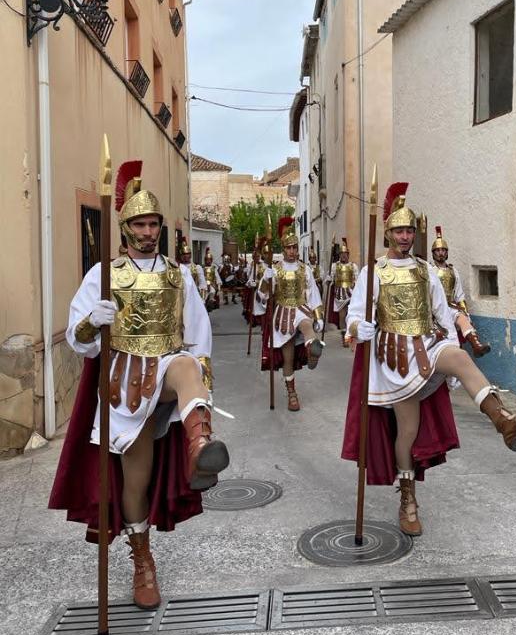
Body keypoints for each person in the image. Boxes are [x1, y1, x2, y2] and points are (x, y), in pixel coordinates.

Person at [49, 162, 229, 609]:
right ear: (126, 227)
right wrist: (94, 321)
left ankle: (200, 444)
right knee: (136, 479)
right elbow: (78, 339)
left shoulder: (178, 275)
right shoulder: (103, 275)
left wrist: (202, 374)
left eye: (153, 223)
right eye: (139, 223)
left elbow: (197, 335)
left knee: (186, 365)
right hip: (124, 386)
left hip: (166, 369)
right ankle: (141, 558)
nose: (148, 231)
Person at [342, 182, 516, 536]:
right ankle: (407, 498)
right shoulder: (371, 272)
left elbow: (443, 315)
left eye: (409, 230)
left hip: (427, 347)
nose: (405, 236)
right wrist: (360, 328)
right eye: (399, 230)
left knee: (461, 360)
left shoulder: (426, 270)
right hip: (394, 362)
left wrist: (450, 343)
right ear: (388, 232)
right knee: (407, 432)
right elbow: (354, 316)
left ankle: (504, 422)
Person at [258, 216, 324, 411]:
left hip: (301, 308)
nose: (293, 251)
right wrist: (266, 279)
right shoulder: (275, 270)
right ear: (283, 248)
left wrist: (318, 317)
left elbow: (313, 294)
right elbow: (263, 295)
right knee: (288, 358)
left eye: (295, 247)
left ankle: (313, 350)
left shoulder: (305, 269)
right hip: (282, 314)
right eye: (289, 248)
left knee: (307, 326)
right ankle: (292, 393)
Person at [431, 225, 490, 358]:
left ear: (447, 252)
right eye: (438, 250)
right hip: (435, 310)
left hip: (451, 306)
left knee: (462, 318)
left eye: (443, 250)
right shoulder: (429, 270)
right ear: (433, 252)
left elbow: (459, 296)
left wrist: (466, 313)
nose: (441, 253)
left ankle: (476, 345)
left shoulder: (453, 271)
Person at [327, 238, 358, 348]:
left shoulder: (353, 266)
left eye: (345, 254)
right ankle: (344, 337)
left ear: (348, 255)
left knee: (351, 316)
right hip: (339, 294)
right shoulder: (335, 266)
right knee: (342, 316)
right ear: (339, 255)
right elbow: (331, 278)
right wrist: (328, 279)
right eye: (342, 254)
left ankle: (350, 336)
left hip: (351, 293)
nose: (344, 256)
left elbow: (356, 279)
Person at [178, 235, 207, 301]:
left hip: (193, 295)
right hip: (180, 296)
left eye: (187, 254)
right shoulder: (177, 267)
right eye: (183, 254)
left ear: (190, 255)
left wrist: (202, 300)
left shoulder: (197, 268)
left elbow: (202, 284)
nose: (185, 256)